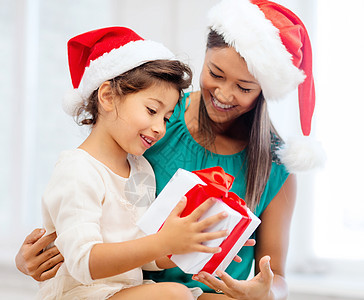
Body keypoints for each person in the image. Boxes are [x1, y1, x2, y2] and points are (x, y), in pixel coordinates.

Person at [16, 1, 323, 299]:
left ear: (264, 91)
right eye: (215, 74)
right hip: (130, 289)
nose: (224, 94)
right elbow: (86, 197)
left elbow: (275, 275)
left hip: (187, 290)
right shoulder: (154, 116)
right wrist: (30, 258)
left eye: (244, 88)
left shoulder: (274, 163)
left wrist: (265, 292)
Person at [33, 26, 232, 300]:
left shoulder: (141, 170)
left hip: (125, 290)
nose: (159, 127)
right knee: (176, 295)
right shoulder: (77, 170)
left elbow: (144, 257)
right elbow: (83, 263)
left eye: (165, 117)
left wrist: (192, 244)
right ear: (108, 97)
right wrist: (161, 241)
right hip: (81, 292)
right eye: (151, 110)